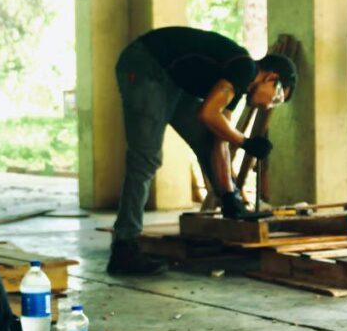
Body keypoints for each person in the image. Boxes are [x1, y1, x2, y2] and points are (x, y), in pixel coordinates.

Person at [107, 26, 297, 275]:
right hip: (146, 66)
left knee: (207, 141)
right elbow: (207, 113)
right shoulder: (244, 69)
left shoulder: (238, 86)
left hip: (171, 79)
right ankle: (124, 246)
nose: (268, 105)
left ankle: (230, 207)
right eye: (276, 97)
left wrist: (229, 196)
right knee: (146, 158)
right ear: (270, 77)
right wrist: (246, 142)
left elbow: (218, 138)